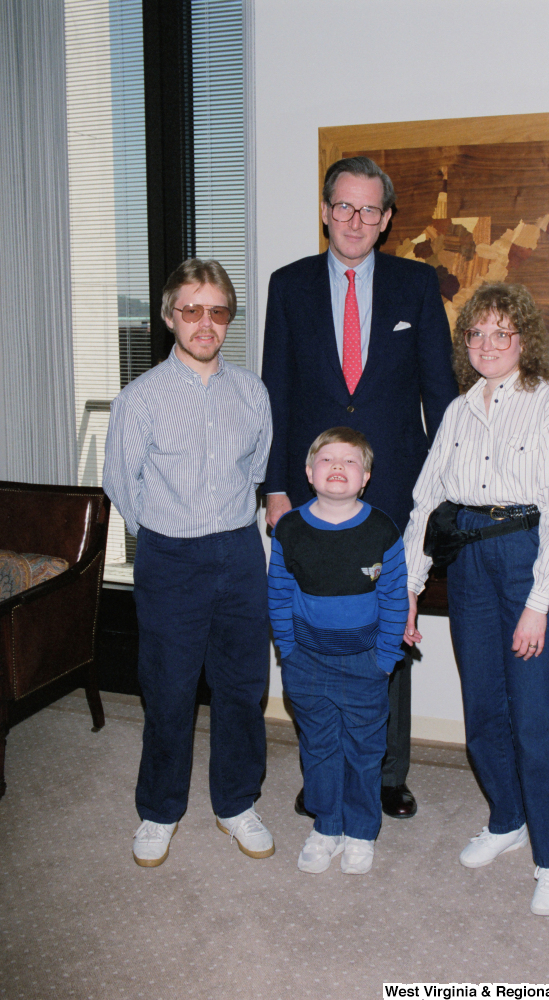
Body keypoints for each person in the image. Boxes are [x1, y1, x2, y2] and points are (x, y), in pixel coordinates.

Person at [261, 156, 457, 819]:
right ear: (324, 211)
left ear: (387, 220)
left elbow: (441, 394)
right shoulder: (287, 286)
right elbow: (276, 394)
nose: (355, 220)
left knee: (386, 625)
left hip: (393, 490)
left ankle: (383, 774)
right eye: (343, 206)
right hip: (312, 497)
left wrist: (434, 492)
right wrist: (277, 490)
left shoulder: (415, 284)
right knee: (315, 622)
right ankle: (325, 765)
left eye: (369, 210)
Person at [403, 282, 549, 916]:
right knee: (483, 707)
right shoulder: (457, 411)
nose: (486, 344)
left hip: (529, 562)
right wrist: (410, 586)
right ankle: (507, 820)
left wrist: (540, 601)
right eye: (476, 333)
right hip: (471, 565)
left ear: (523, 340)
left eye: (500, 333)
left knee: (534, 721)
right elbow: (427, 503)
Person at [103, 258, 274, 868]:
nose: (206, 322)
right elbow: (122, 485)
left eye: (218, 310)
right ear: (170, 316)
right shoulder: (140, 399)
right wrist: (168, 533)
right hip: (170, 556)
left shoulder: (252, 393)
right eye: (192, 309)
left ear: (229, 318)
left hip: (238, 553)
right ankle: (159, 810)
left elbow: (255, 474)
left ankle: (236, 803)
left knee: (243, 686)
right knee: (169, 689)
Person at [268, 428, 409, 874]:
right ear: (309, 473)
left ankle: (362, 831)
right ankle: (327, 825)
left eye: (350, 462)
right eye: (327, 460)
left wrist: (385, 658)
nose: (337, 468)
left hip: (365, 663)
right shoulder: (289, 528)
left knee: (366, 749)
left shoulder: (383, 528)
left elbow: (394, 598)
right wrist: (287, 652)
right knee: (320, 746)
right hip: (306, 662)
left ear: (365, 477)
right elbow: (278, 594)